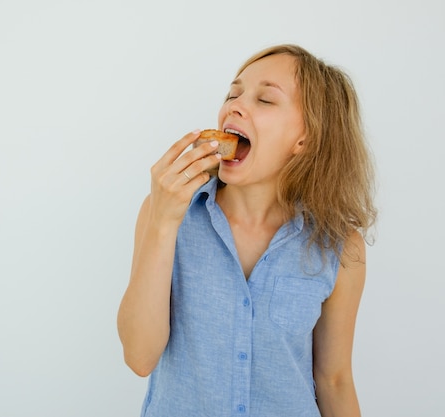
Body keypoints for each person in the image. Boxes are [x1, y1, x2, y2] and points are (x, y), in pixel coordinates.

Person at [117, 44, 377, 417]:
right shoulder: (165, 213)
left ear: (305, 139)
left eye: (265, 100)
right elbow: (139, 357)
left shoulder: (338, 247)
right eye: (233, 94)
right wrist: (163, 221)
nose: (234, 106)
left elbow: (334, 380)